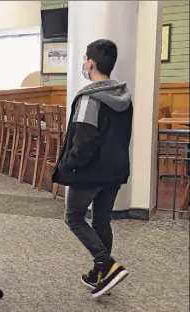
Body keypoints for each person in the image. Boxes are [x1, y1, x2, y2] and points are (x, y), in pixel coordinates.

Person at [52, 39, 133, 298]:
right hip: (115, 170)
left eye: (85, 58)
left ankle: (105, 263)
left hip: (89, 171)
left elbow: (84, 142)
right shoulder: (124, 96)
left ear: (92, 63)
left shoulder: (90, 98)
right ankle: (103, 276)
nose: (83, 63)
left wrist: (67, 165)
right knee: (101, 220)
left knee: (74, 217)